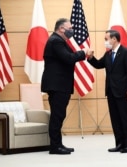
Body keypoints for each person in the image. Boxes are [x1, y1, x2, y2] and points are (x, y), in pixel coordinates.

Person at [41, 18, 93, 155]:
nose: (72, 30)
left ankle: (58, 144)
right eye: (70, 28)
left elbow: (68, 57)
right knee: (57, 116)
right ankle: (55, 147)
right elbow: (68, 58)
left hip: (60, 84)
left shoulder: (60, 40)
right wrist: (83, 52)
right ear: (61, 29)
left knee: (59, 115)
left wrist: (82, 54)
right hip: (57, 85)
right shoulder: (56, 41)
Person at [87, 30, 127, 153]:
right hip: (111, 91)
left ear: (114, 39)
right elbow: (98, 64)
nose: (105, 42)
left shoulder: (126, 52)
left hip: (123, 91)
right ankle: (120, 144)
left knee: (125, 119)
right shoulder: (108, 54)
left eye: (106, 39)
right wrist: (91, 58)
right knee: (115, 119)